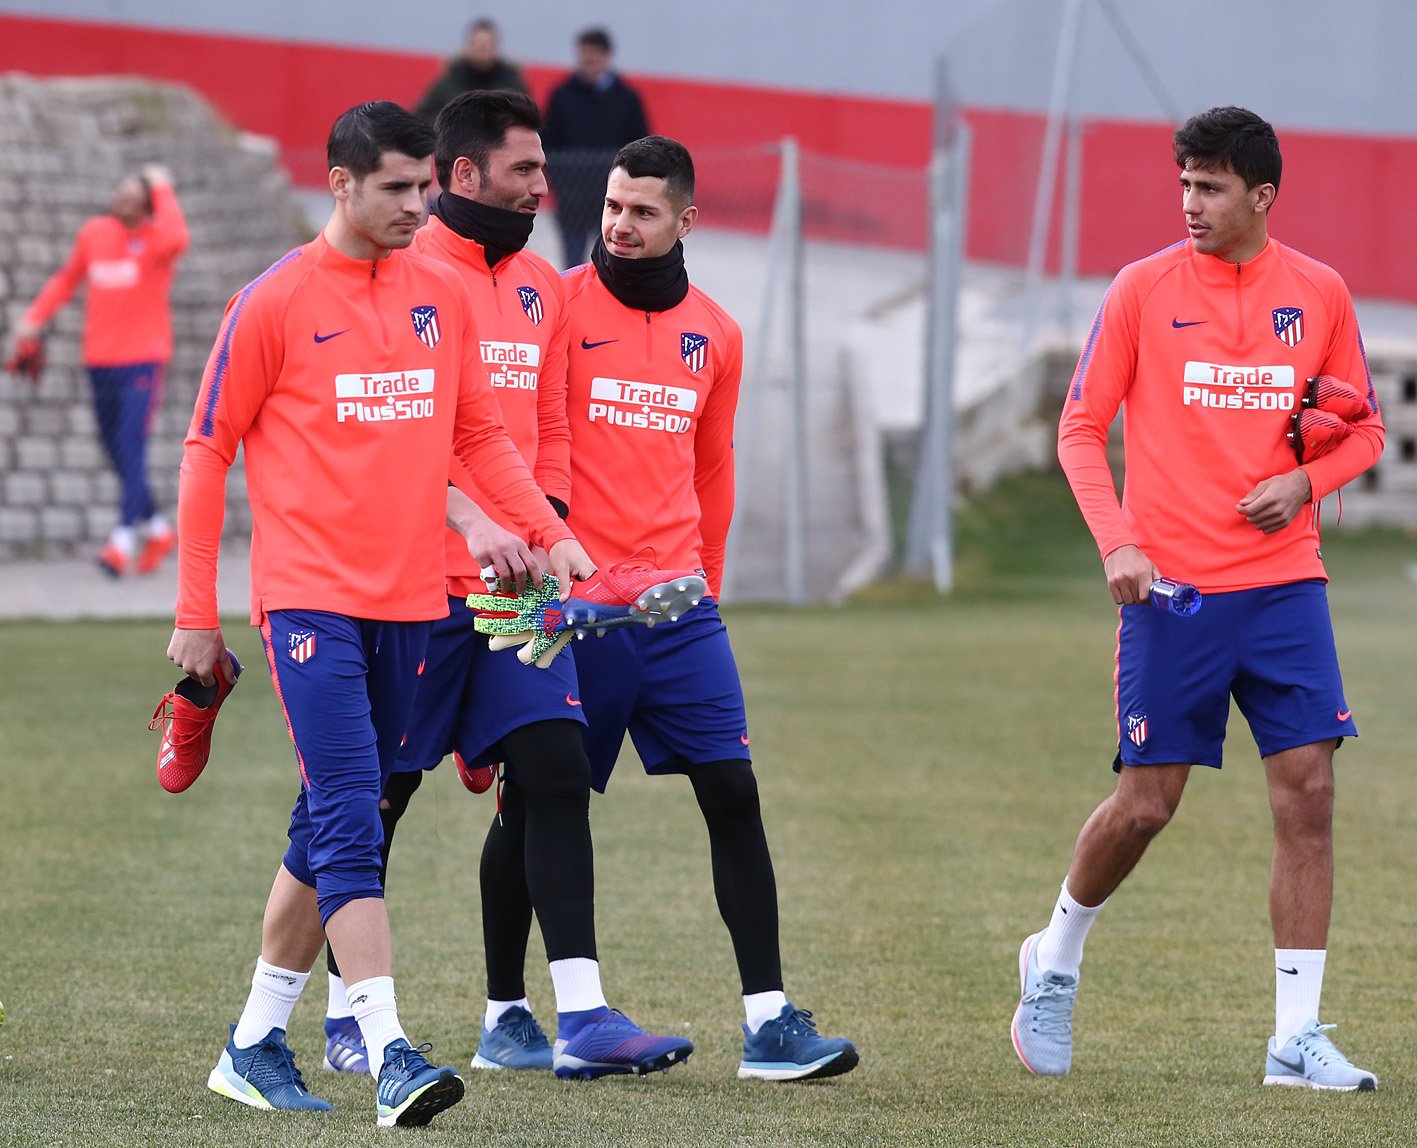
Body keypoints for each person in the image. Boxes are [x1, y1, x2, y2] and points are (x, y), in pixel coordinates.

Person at [166, 100, 595, 1126]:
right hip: (309, 601)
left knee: (327, 818)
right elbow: (204, 449)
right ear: (341, 184)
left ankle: (254, 1040)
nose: (418, 205)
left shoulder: (441, 294)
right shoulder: (272, 301)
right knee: (356, 805)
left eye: (423, 187)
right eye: (396, 188)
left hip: (415, 600)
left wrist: (549, 531)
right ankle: (389, 1045)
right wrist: (196, 614)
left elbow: (481, 437)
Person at [314, 89, 696, 1082]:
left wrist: (551, 530)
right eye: (528, 170)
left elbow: (548, 427)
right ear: (467, 174)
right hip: (414, 587)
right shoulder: (403, 275)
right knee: (378, 795)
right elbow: (396, 434)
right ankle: (344, 1010)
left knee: (555, 770)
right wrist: (474, 522)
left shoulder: (542, 287)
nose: (545, 186)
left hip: (519, 594)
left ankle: (576, 1015)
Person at [1010, 106, 1384, 1091]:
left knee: (1308, 792)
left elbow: (1364, 430)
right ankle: (1052, 960)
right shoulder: (1140, 289)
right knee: (1146, 805)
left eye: (1211, 186)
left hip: (1284, 585)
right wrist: (1119, 541)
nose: (1190, 202)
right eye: (1183, 182)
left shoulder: (1319, 292)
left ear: (1261, 195)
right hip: (1170, 589)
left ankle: (1293, 1036)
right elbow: (1079, 430)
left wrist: (1303, 484)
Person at [475, 136, 858, 1082]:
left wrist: (706, 581)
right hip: (575, 611)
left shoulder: (717, 334)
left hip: (679, 611)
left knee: (734, 792)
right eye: (611, 206)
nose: (620, 225)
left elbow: (713, 469)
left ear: (684, 221)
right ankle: (505, 1014)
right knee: (534, 805)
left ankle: (769, 1025)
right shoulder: (554, 306)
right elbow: (507, 440)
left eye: (643, 211)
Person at [7, 165, 188, 577]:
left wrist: (162, 183)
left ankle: (121, 541)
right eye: (120, 190)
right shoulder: (95, 233)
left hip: (143, 360)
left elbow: (179, 235)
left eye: (132, 194)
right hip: (99, 362)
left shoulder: (157, 242)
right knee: (114, 449)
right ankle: (159, 528)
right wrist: (34, 317)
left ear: (148, 205)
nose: (121, 198)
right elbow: (67, 279)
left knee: (130, 444)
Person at [541, 27, 649, 268]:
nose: (589, 59)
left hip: (615, 196)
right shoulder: (562, 95)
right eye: (584, 53)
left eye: (595, 53)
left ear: (607, 56)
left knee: (611, 260)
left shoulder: (626, 98)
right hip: (571, 197)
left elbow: (641, 143)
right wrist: (560, 182)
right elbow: (548, 143)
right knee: (572, 263)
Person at [413, 18, 528, 124]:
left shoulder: (512, 85)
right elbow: (421, 116)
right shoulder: (449, 81)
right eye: (478, 44)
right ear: (468, 46)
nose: (482, 50)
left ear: (496, 47)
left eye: (487, 45)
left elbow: (527, 119)